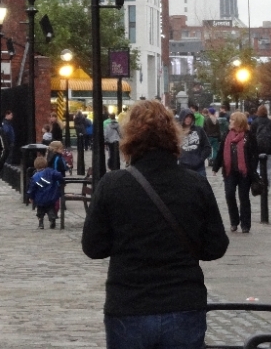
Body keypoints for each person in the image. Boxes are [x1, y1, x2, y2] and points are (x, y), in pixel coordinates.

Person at [82, 100, 229, 349]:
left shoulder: (113, 185)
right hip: (183, 302)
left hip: (130, 303)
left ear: (130, 138)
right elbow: (215, 247)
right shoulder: (195, 184)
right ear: (173, 136)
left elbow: (93, 247)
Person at [212, 112, 258, 234]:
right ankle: (234, 221)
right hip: (230, 171)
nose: (230, 122)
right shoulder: (227, 134)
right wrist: (215, 167)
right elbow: (221, 152)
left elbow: (255, 153)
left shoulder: (249, 136)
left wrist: (252, 168)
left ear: (239, 122)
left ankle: (245, 224)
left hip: (244, 172)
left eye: (232, 120)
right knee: (229, 194)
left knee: (244, 197)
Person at [27, 155, 63, 229]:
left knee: (40, 211)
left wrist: (31, 197)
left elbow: (32, 188)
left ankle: (41, 223)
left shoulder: (34, 177)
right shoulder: (51, 172)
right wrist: (61, 181)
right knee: (50, 208)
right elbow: (59, 175)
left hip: (39, 198)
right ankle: (52, 218)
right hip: (51, 196)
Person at [249, 105, 271, 182]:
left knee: (258, 168)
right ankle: (267, 184)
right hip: (269, 150)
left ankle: (260, 183)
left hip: (257, 150)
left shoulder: (254, 123)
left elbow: (250, 137)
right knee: (268, 170)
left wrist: (253, 148)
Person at [177, 108, 211, 177]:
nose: (188, 119)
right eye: (186, 117)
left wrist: (201, 159)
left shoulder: (199, 130)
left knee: (201, 183)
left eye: (190, 117)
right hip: (183, 167)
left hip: (199, 167)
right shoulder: (177, 132)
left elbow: (207, 147)